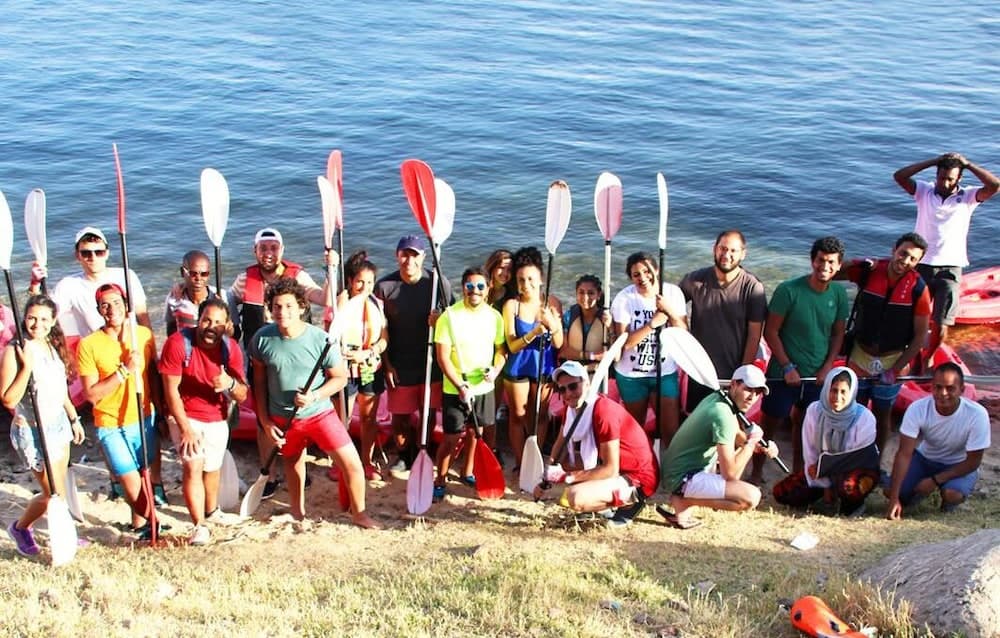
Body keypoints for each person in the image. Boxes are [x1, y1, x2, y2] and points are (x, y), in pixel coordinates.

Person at [249, 278, 380, 528]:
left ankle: (359, 514)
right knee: (293, 463)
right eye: (276, 306)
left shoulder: (321, 340)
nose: (282, 312)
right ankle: (298, 513)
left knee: (352, 464)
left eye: (288, 306)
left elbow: (340, 379)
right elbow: (260, 385)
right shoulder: (261, 340)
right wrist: (266, 423)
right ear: (269, 308)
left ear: (301, 307)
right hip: (283, 418)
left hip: (320, 414)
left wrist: (314, 396)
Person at [228, 227, 331, 497]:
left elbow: (325, 299)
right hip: (262, 359)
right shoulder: (243, 280)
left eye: (274, 248)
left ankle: (297, 471)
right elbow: (229, 299)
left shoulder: (298, 277)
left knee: (296, 417)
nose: (269, 253)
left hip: (295, 359)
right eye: (263, 248)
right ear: (255, 251)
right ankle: (268, 473)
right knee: (265, 420)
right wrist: (233, 326)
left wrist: (331, 269)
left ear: (282, 251)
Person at [76, 283, 164, 538]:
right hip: (110, 422)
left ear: (126, 307)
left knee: (142, 473)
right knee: (128, 478)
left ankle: (139, 524)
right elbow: (91, 394)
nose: (111, 308)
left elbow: (153, 375)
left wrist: (161, 410)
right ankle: (155, 523)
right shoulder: (89, 345)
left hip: (144, 415)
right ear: (99, 310)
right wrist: (124, 371)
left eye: (116, 302)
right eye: (105, 304)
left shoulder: (143, 335)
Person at [160, 298, 249, 545]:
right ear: (198, 320)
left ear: (227, 325)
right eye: (207, 320)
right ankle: (199, 524)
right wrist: (185, 429)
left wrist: (229, 384)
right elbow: (171, 391)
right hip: (185, 415)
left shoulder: (230, 349)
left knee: (212, 468)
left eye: (218, 322)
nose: (211, 326)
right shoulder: (178, 344)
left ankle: (212, 511)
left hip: (216, 416)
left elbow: (242, 394)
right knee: (193, 465)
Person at [2, 296, 86, 556]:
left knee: (58, 489)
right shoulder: (16, 350)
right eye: (31, 318)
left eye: (44, 319)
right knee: (53, 493)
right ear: (24, 317)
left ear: (53, 321)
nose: (37, 324)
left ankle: (63, 530)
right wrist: (27, 366)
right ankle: (20, 527)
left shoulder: (51, 344)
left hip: (58, 423)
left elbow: (60, 390)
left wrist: (74, 418)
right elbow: (8, 398)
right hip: (33, 429)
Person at [893, 153, 999, 357]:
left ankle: (929, 358)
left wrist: (968, 164)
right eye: (942, 177)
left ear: (959, 178)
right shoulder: (924, 192)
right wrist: (933, 161)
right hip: (921, 265)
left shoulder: (968, 197)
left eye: (950, 179)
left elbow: (994, 186)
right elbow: (900, 176)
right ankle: (910, 357)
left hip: (950, 268)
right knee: (913, 318)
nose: (945, 182)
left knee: (941, 323)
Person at [760, 236, 849, 479]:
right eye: (821, 260)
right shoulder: (788, 290)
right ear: (812, 261)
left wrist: (827, 367)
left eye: (831, 262)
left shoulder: (840, 294)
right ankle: (756, 472)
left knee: (807, 426)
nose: (825, 267)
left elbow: (838, 334)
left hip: (816, 375)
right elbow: (770, 331)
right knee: (770, 424)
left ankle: (799, 474)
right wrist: (787, 366)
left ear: (840, 265)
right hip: (783, 372)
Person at [533, 360, 659, 528]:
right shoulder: (570, 410)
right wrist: (546, 478)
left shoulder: (604, 412)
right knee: (566, 472)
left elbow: (610, 469)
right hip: (617, 469)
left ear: (586, 384)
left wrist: (567, 477)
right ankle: (605, 500)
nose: (567, 394)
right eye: (562, 389)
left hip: (638, 477)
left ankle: (630, 502)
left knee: (575, 497)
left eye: (572, 387)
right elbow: (560, 445)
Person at [839, 233, 931, 452]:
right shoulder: (870, 271)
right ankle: (850, 456)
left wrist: (895, 370)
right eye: (903, 254)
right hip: (860, 355)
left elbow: (919, 337)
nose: (905, 261)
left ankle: (876, 464)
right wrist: (855, 262)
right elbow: (830, 273)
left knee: (882, 416)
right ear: (893, 250)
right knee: (852, 411)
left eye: (913, 259)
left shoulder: (919, 289)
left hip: (892, 360)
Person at [657, 365, 780, 529]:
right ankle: (684, 499)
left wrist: (757, 445)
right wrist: (750, 444)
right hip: (681, 477)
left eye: (758, 392)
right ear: (734, 384)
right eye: (748, 389)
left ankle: (684, 503)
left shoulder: (718, 399)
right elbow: (730, 474)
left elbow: (736, 435)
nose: (752, 397)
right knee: (751, 497)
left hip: (679, 472)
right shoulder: (723, 415)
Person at [375, 235, 452, 472]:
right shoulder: (384, 287)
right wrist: (386, 364)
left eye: (414, 254)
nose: (409, 259)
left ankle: (424, 451)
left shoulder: (438, 283)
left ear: (423, 257)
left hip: (431, 362)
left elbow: (454, 319)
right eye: (404, 254)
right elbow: (379, 329)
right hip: (399, 362)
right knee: (400, 415)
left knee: (428, 411)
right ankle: (403, 455)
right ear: (397, 256)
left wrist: (439, 321)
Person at [433, 267, 506, 501]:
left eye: (480, 286)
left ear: (488, 289)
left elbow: (501, 351)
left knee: (478, 432)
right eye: (470, 286)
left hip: (483, 387)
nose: (475, 291)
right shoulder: (449, 317)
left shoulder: (494, 317)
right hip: (455, 387)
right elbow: (442, 358)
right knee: (451, 438)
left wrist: (495, 371)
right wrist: (459, 385)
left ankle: (467, 472)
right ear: (463, 287)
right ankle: (440, 478)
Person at [885, 362, 989, 520]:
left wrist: (935, 480)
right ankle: (914, 495)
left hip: (959, 463)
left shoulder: (977, 414)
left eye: (950, 388)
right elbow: (904, 453)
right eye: (938, 387)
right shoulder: (917, 408)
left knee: (952, 494)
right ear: (931, 387)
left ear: (962, 390)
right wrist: (894, 498)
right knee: (890, 490)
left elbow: (973, 461)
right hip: (925, 459)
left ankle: (948, 499)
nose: (943, 393)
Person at [679, 230, 767, 413]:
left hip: (732, 375)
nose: (727, 255)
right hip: (700, 371)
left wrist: (742, 375)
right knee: (698, 420)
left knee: (729, 425)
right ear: (714, 249)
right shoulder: (695, 281)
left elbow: (754, 335)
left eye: (733, 251)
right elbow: (672, 305)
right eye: (723, 248)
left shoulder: (752, 287)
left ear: (743, 253)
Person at [772, 367, 879, 516]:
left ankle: (854, 505)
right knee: (782, 492)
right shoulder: (814, 411)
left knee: (849, 487)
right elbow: (810, 450)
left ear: (852, 392)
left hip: (853, 470)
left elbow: (856, 458)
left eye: (843, 392)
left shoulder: (864, 418)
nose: (837, 397)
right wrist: (823, 481)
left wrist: (830, 476)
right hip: (819, 470)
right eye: (833, 390)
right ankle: (822, 494)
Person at [610, 251, 686, 448]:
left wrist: (669, 312)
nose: (643, 278)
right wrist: (652, 324)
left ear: (657, 270)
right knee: (635, 430)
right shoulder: (624, 299)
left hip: (664, 372)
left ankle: (670, 471)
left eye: (647, 271)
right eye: (636, 274)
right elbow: (624, 343)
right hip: (631, 375)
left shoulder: (672, 294)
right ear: (631, 277)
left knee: (671, 429)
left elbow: (684, 333)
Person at [502, 247, 563, 469]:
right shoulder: (512, 305)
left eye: (530, 279)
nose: (525, 284)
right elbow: (512, 345)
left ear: (541, 279)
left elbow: (558, 343)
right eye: (520, 280)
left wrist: (553, 324)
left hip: (543, 366)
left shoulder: (552, 303)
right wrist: (534, 332)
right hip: (518, 367)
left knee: (540, 414)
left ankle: (534, 459)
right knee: (518, 415)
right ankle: (521, 463)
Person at [336, 251, 389, 481]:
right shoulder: (340, 303)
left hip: (369, 368)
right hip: (345, 371)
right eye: (360, 281)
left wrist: (369, 352)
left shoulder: (377, 303)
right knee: (342, 419)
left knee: (368, 419)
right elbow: (330, 336)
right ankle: (340, 464)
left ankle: (366, 461)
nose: (365, 287)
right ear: (350, 281)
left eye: (369, 282)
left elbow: (384, 338)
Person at [558, 274, 612, 372]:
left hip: (598, 374)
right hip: (573, 373)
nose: (585, 297)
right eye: (581, 292)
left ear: (599, 295)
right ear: (576, 293)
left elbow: (614, 355)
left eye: (591, 293)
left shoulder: (607, 318)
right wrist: (592, 356)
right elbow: (564, 352)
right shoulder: (569, 316)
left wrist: (611, 327)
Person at [164, 250, 220, 336]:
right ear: (183, 272)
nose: (198, 278)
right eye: (193, 273)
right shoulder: (174, 298)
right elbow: (171, 329)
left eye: (204, 274)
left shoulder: (221, 297)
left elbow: (234, 334)